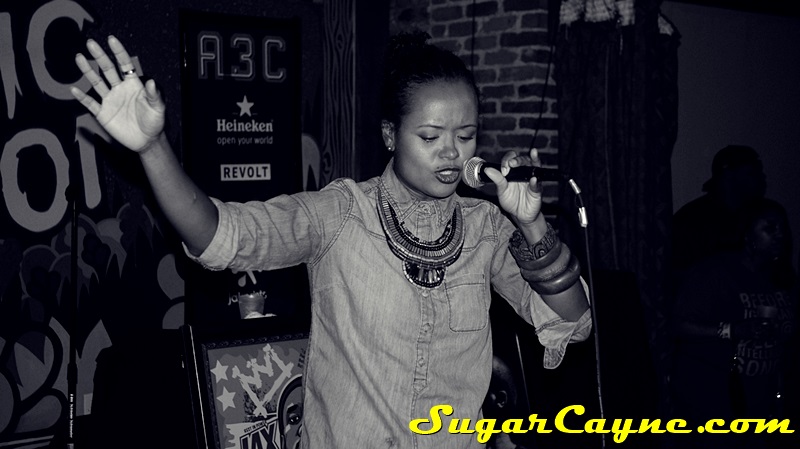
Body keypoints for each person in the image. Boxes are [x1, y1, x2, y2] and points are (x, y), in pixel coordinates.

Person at [70, 32, 591, 448]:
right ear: (389, 135)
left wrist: (531, 223)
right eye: (431, 137)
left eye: (466, 135)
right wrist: (153, 148)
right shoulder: (342, 212)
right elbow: (222, 235)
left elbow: (575, 321)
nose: (451, 153)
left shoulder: (485, 228)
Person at [670, 198, 796, 449]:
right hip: (715, 396)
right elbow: (679, 325)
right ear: (747, 233)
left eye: (783, 228)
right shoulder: (715, 272)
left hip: (762, 397)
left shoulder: (781, 277)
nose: (780, 235)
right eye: (770, 228)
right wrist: (733, 330)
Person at [671, 144, 767, 284]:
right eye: (752, 172)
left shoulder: (764, 216)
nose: (762, 177)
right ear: (729, 174)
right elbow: (680, 276)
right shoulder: (691, 220)